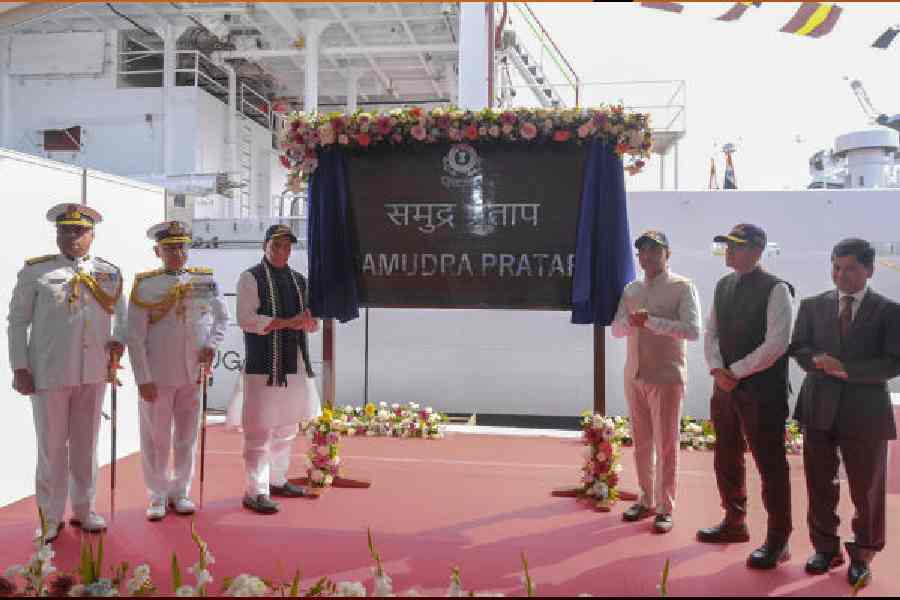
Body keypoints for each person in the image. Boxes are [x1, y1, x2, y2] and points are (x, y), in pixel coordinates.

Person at [7, 203, 126, 541]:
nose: (72, 237)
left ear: (92, 235)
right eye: (66, 230)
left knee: (87, 445)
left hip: (93, 373)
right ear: (57, 234)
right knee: (51, 447)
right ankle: (50, 517)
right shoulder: (36, 272)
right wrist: (20, 366)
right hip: (49, 373)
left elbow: (123, 316)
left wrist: (118, 344)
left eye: (80, 231)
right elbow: (17, 323)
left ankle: (85, 509)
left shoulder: (110, 272)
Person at [789, 238, 900, 588]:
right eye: (836, 267)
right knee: (819, 483)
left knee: (867, 489)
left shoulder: (889, 311)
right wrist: (815, 360)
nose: (841, 275)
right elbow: (798, 347)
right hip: (818, 405)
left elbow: (894, 362)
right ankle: (825, 549)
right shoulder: (811, 305)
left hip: (865, 411)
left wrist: (847, 368)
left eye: (850, 268)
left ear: (869, 269)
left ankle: (863, 554)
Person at [697, 223, 795, 570]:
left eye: (735, 246)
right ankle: (734, 522)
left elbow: (776, 344)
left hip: (761, 393)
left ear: (756, 251)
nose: (728, 251)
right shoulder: (723, 285)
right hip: (725, 389)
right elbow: (710, 332)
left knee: (770, 465)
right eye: (727, 245)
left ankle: (779, 538)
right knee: (725, 457)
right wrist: (715, 369)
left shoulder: (776, 289)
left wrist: (732, 372)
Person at [127, 221, 229, 521]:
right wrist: (143, 379)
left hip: (192, 374)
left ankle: (180, 491)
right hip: (157, 376)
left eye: (182, 246)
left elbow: (223, 318)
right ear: (157, 251)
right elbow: (134, 337)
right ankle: (157, 494)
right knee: (156, 438)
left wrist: (212, 344)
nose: (177, 253)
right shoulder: (146, 285)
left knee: (186, 436)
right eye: (170, 248)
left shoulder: (204, 281)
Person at [611, 230, 701, 534]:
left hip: (666, 376)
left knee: (665, 445)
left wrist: (652, 322)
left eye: (654, 251)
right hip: (634, 374)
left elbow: (692, 330)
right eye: (643, 252)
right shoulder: (631, 289)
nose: (648, 257)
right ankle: (646, 498)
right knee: (641, 442)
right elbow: (617, 328)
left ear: (668, 254)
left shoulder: (682, 287)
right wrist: (630, 322)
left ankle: (665, 506)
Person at [236, 224, 321, 514]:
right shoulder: (250, 277)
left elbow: (311, 323)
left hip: (294, 362)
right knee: (259, 430)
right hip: (263, 365)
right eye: (277, 246)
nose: (283, 251)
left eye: (287, 246)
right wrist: (288, 322)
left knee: (287, 427)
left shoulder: (299, 280)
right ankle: (254, 490)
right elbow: (247, 319)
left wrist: (308, 321)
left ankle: (277, 479)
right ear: (265, 246)